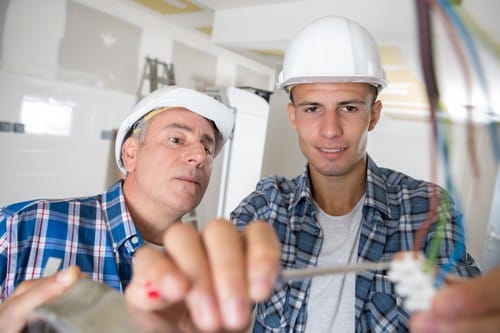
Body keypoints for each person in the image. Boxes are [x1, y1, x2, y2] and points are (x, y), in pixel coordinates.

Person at [227, 15, 481, 332]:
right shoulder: (266, 207)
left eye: (349, 108)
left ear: (373, 115)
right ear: (293, 116)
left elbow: (461, 308)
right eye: (312, 108)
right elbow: (217, 301)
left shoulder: (426, 209)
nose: (331, 130)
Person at [0, 86, 281, 332]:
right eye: (176, 139)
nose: (199, 156)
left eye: (207, 149)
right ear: (131, 153)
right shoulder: (25, 226)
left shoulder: (199, 277)